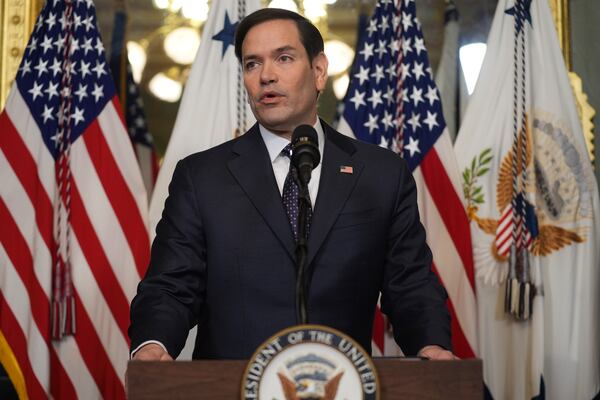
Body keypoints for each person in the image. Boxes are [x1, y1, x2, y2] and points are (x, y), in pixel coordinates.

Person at [129, 8, 456, 362]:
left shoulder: (381, 173)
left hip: (341, 382)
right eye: (252, 64)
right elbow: (171, 286)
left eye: (283, 58)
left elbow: (410, 283)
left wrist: (431, 346)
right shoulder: (201, 177)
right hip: (232, 386)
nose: (266, 76)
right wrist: (152, 345)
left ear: (318, 72)